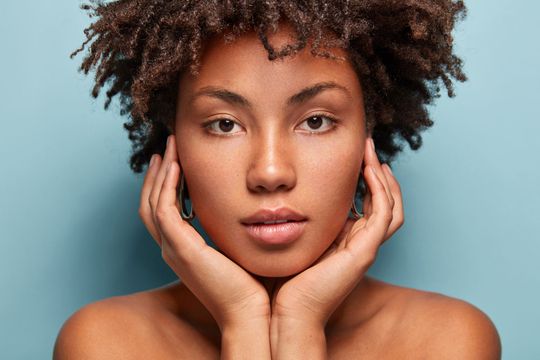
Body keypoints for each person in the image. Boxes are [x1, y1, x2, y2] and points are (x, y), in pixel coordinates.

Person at [54, 0, 501, 358]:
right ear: (174, 148)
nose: (270, 172)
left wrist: (299, 322)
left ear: (368, 135)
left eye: (317, 121)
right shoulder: (104, 344)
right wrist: (243, 321)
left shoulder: (447, 342)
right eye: (225, 124)